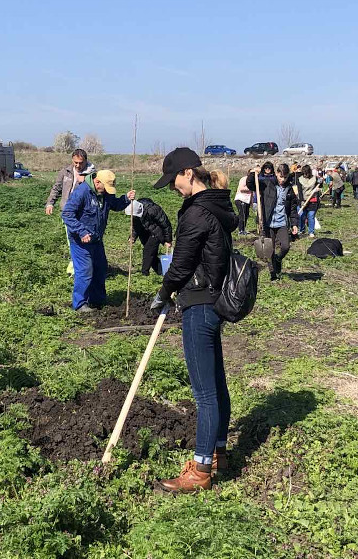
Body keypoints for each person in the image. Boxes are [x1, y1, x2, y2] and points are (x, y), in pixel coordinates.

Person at [149, 147, 237, 493]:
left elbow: (182, 264)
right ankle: (218, 453)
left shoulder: (197, 213)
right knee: (216, 383)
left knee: (203, 393)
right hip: (213, 301)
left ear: (189, 173)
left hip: (199, 305)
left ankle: (200, 470)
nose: (173, 188)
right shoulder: (216, 204)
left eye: (174, 181)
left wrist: (164, 293)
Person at [61, 169, 135, 312]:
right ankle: (80, 303)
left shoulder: (104, 193)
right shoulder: (82, 192)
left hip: (96, 238)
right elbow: (67, 213)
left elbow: (115, 205)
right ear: (97, 182)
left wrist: (126, 199)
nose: (106, 191)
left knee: (100, 268)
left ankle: (97, 300)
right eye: (105, 187)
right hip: (80, 240)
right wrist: (81, 231)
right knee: (85, 270)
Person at [247, 162, 298, 280]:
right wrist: (253, 174)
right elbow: (251, 184)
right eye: (281, 177)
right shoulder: (267, 184)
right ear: (277, 174)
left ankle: (278, 259)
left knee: (285, 246)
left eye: (285, 177)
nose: (283, 180)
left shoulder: (290, 189)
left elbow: (293, 208)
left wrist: (294, 223)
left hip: (282, 223)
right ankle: (273, 274)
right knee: (270, 250)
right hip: (268, 222)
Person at [127, 198, 173, 276]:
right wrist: (133, 237)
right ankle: (163, 272)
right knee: (152, 256)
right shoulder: (134, 212)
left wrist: (168, 240)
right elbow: (136, 226)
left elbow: (165, 224)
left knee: (148, 252)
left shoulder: (153, 210)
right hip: (145, 233)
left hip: (156, 232)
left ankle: (144, 274)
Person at [44, 148, 94, 215]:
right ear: (72, 160)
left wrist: (86, 180)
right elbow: (56, 188)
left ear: (86, 161)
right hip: (66, 210)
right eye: (76, 162)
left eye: (81, 163)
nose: (78, 165)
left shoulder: (92, 175)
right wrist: (50, 204)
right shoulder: (65, 171)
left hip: (83, 213)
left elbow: (97, 193)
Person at [296, 164, 320, 238]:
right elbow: (299, 191)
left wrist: (318, 189)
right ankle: (301, 230)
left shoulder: (314, 179)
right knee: (302, 216)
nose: (305, 175)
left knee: (311, 216)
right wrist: (301, 201)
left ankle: (311, 232)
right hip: (303, 200)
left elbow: (320, 185)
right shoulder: (300, 179)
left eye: (307, 173)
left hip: (313, 200)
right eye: (304, 174)